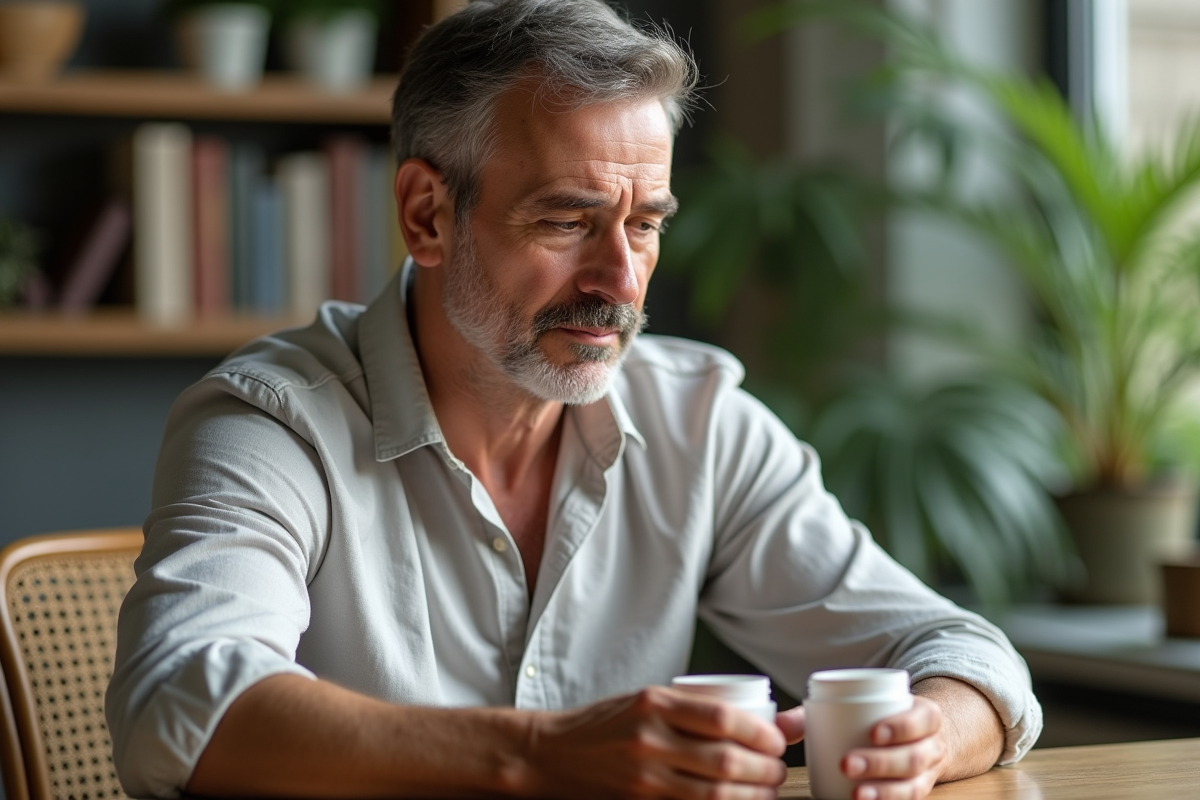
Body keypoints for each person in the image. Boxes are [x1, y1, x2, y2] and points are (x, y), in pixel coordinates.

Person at [106, 1, 1041, 798]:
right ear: (427, 214)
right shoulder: (274, 423)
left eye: (645, 224)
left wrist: (929, 735)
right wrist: (539, 757)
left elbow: (957, 648)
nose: (621, 279)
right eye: (567, 220)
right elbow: (182, 701)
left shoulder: (699, 421)